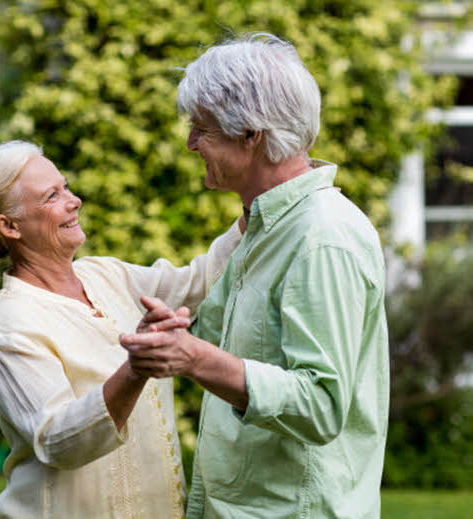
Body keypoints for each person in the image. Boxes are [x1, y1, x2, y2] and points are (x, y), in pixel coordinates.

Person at [120, 33, 389, 518]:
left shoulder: (321, 237)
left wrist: (194, 358)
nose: (190, 144)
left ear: (251, 134)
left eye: (202, 129)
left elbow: (322, 404)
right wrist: (174, 334)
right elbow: (237, 345)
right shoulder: (263, 226)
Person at [0, 140, 243, 518]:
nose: (73, 200)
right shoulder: (10, 323)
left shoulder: (105, 274)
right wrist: (136, 368)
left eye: (65, 187)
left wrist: (260, 201)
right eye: (51, 196)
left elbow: (200, 282)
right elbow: (58, 439)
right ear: (9, 226)